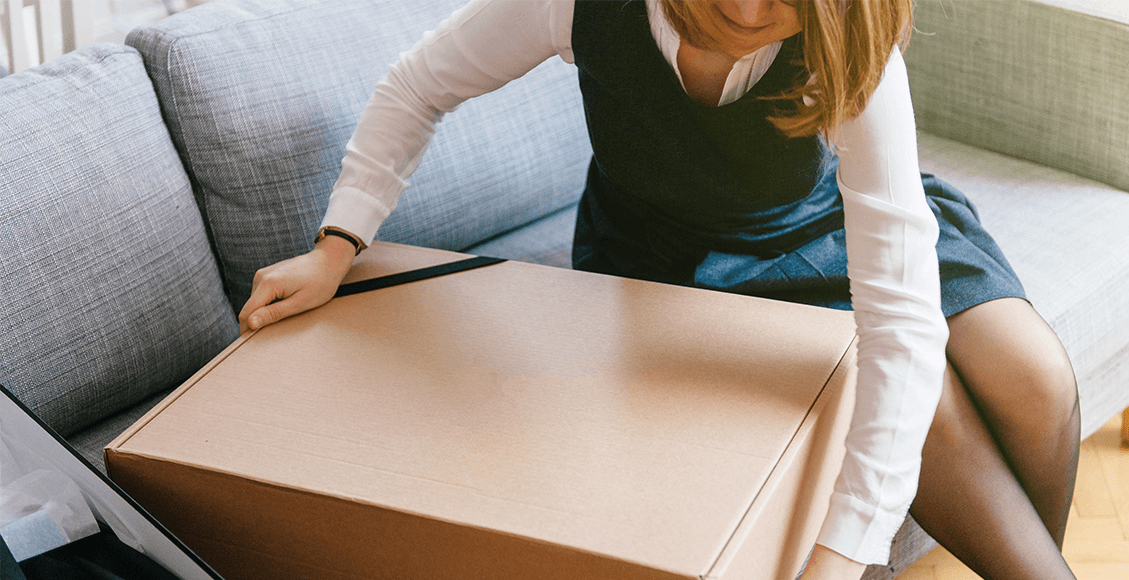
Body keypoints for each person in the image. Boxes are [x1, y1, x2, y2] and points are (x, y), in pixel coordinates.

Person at [239, 1, 1081, 578]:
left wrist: (838, 560)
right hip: (664, 258)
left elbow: (899, 313)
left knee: (1032, 374)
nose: (749, 11)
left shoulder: (850, 34)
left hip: (823, 220)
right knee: (928, 408)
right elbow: (417, 86)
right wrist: (338, 245)